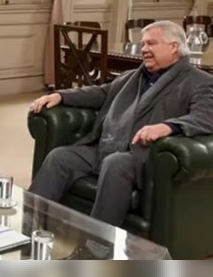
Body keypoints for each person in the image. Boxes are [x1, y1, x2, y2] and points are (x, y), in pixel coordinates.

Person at [28, 20, 213, 258]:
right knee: (60, 157)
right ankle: (27, 223)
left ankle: (95, 249)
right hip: (105, 146)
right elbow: (101, 93)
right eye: (143, 44)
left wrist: (168, 127)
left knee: (115, 165)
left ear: (174, 47)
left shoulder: (199, 81)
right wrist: (60, 96)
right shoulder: (132, 76)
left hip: (141, 156)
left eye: (151, 43)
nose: (144, 49)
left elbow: (206, 117)